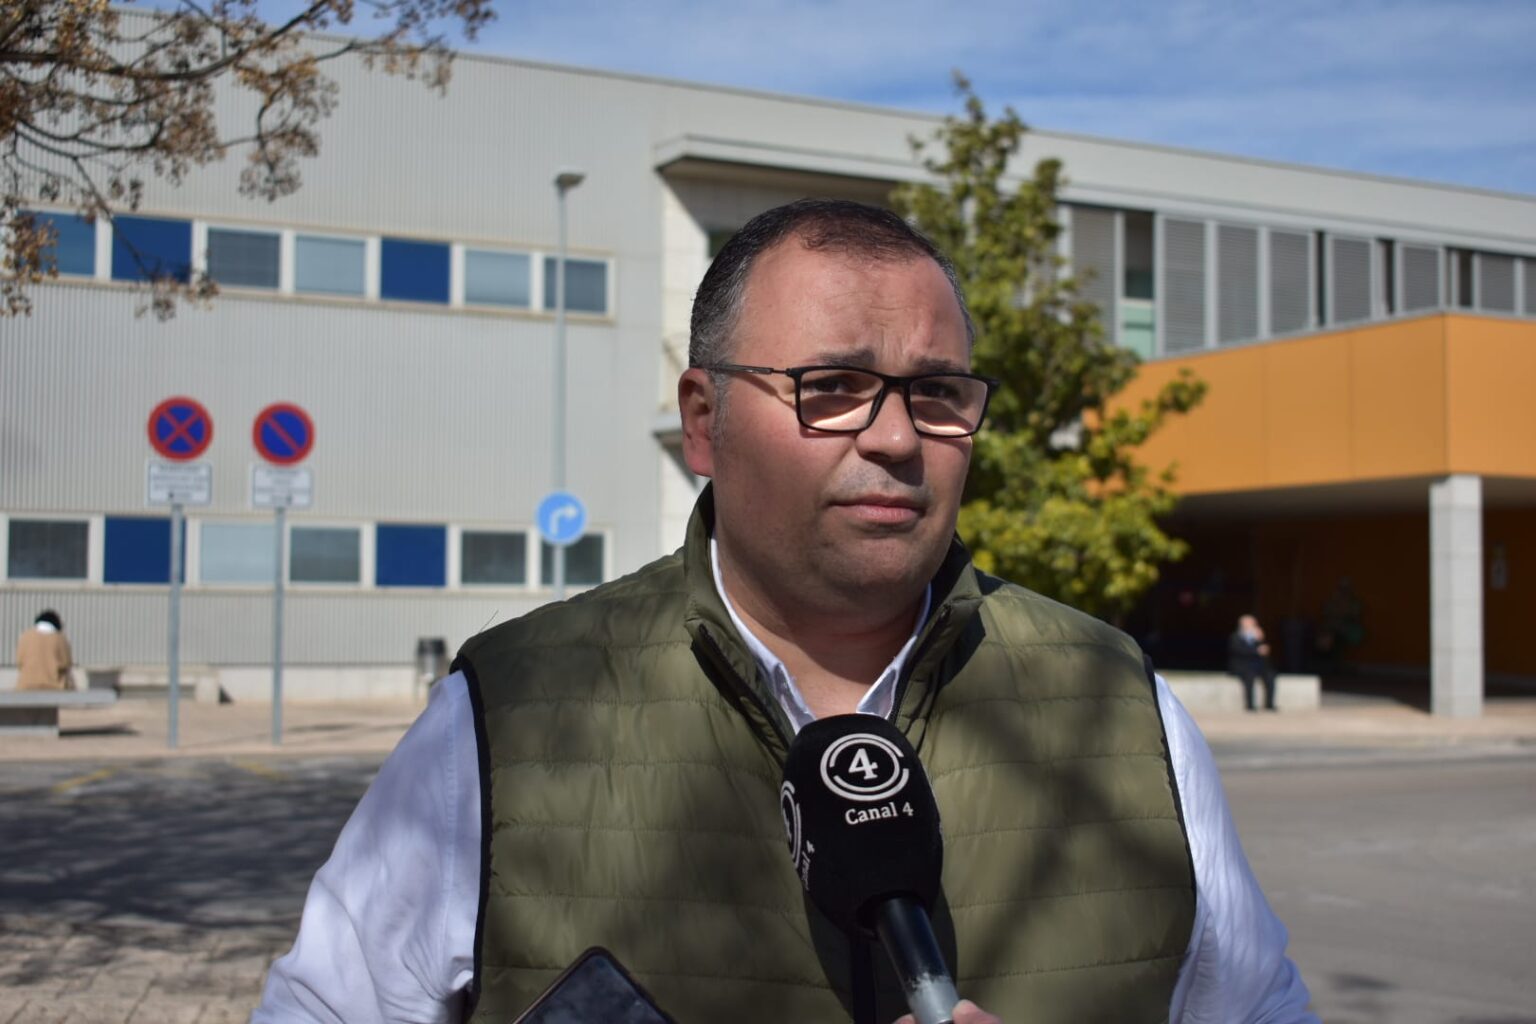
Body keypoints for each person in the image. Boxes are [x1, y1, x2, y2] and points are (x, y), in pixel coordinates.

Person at [255, 200, 1316, 1023]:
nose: (897, 438)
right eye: (833, 386)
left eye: (938, 393)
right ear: (704, 421)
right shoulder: (512, 713)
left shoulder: (1116, 703)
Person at [1228, 614, 1279, 712]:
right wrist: (1256, 651)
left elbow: (1264, 650)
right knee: (1249, 677)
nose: (1252, 625)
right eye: (1250, 623)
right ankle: (1250, 705)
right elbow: (1238, 651)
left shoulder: (1256, 637)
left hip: (1258, 667)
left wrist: (1260, 639)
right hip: (1243, 667)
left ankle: (1269, 704)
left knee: (1270, 676)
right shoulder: (1236, 637)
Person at [15, 609, 74, 691]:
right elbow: (66, 663)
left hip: (26, 685)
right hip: (54, 686)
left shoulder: (25, 637)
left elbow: (20, 662)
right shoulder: (60, 639)